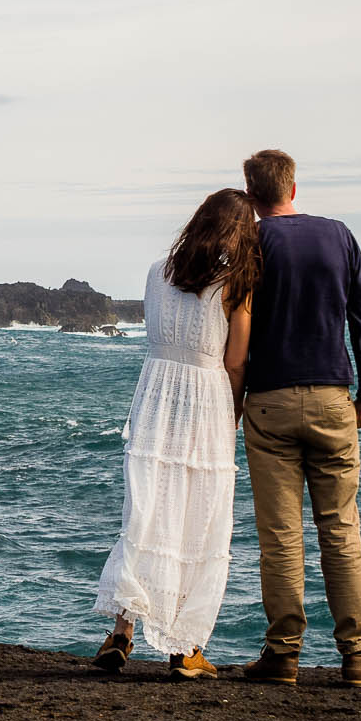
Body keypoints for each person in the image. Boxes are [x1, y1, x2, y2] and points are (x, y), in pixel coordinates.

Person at [236, 149, 361, 687]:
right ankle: (358, 655)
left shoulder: (251, 242)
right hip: (332, 397)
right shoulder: (339, 235)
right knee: (341, 529)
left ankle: (283, 655)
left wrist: (231, 397)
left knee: (280, 536)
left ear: (251, 195)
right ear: (293, 188)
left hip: (268, 399)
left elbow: (233, 323)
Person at [92, 189, 258, 679]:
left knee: (147, 512)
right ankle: (185, 649)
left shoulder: (157, 271)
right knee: (201, 519)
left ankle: (121, 632)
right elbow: (235, 361)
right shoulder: (235, 283)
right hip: (206, 397)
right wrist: (236, 410)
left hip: (156, 395)